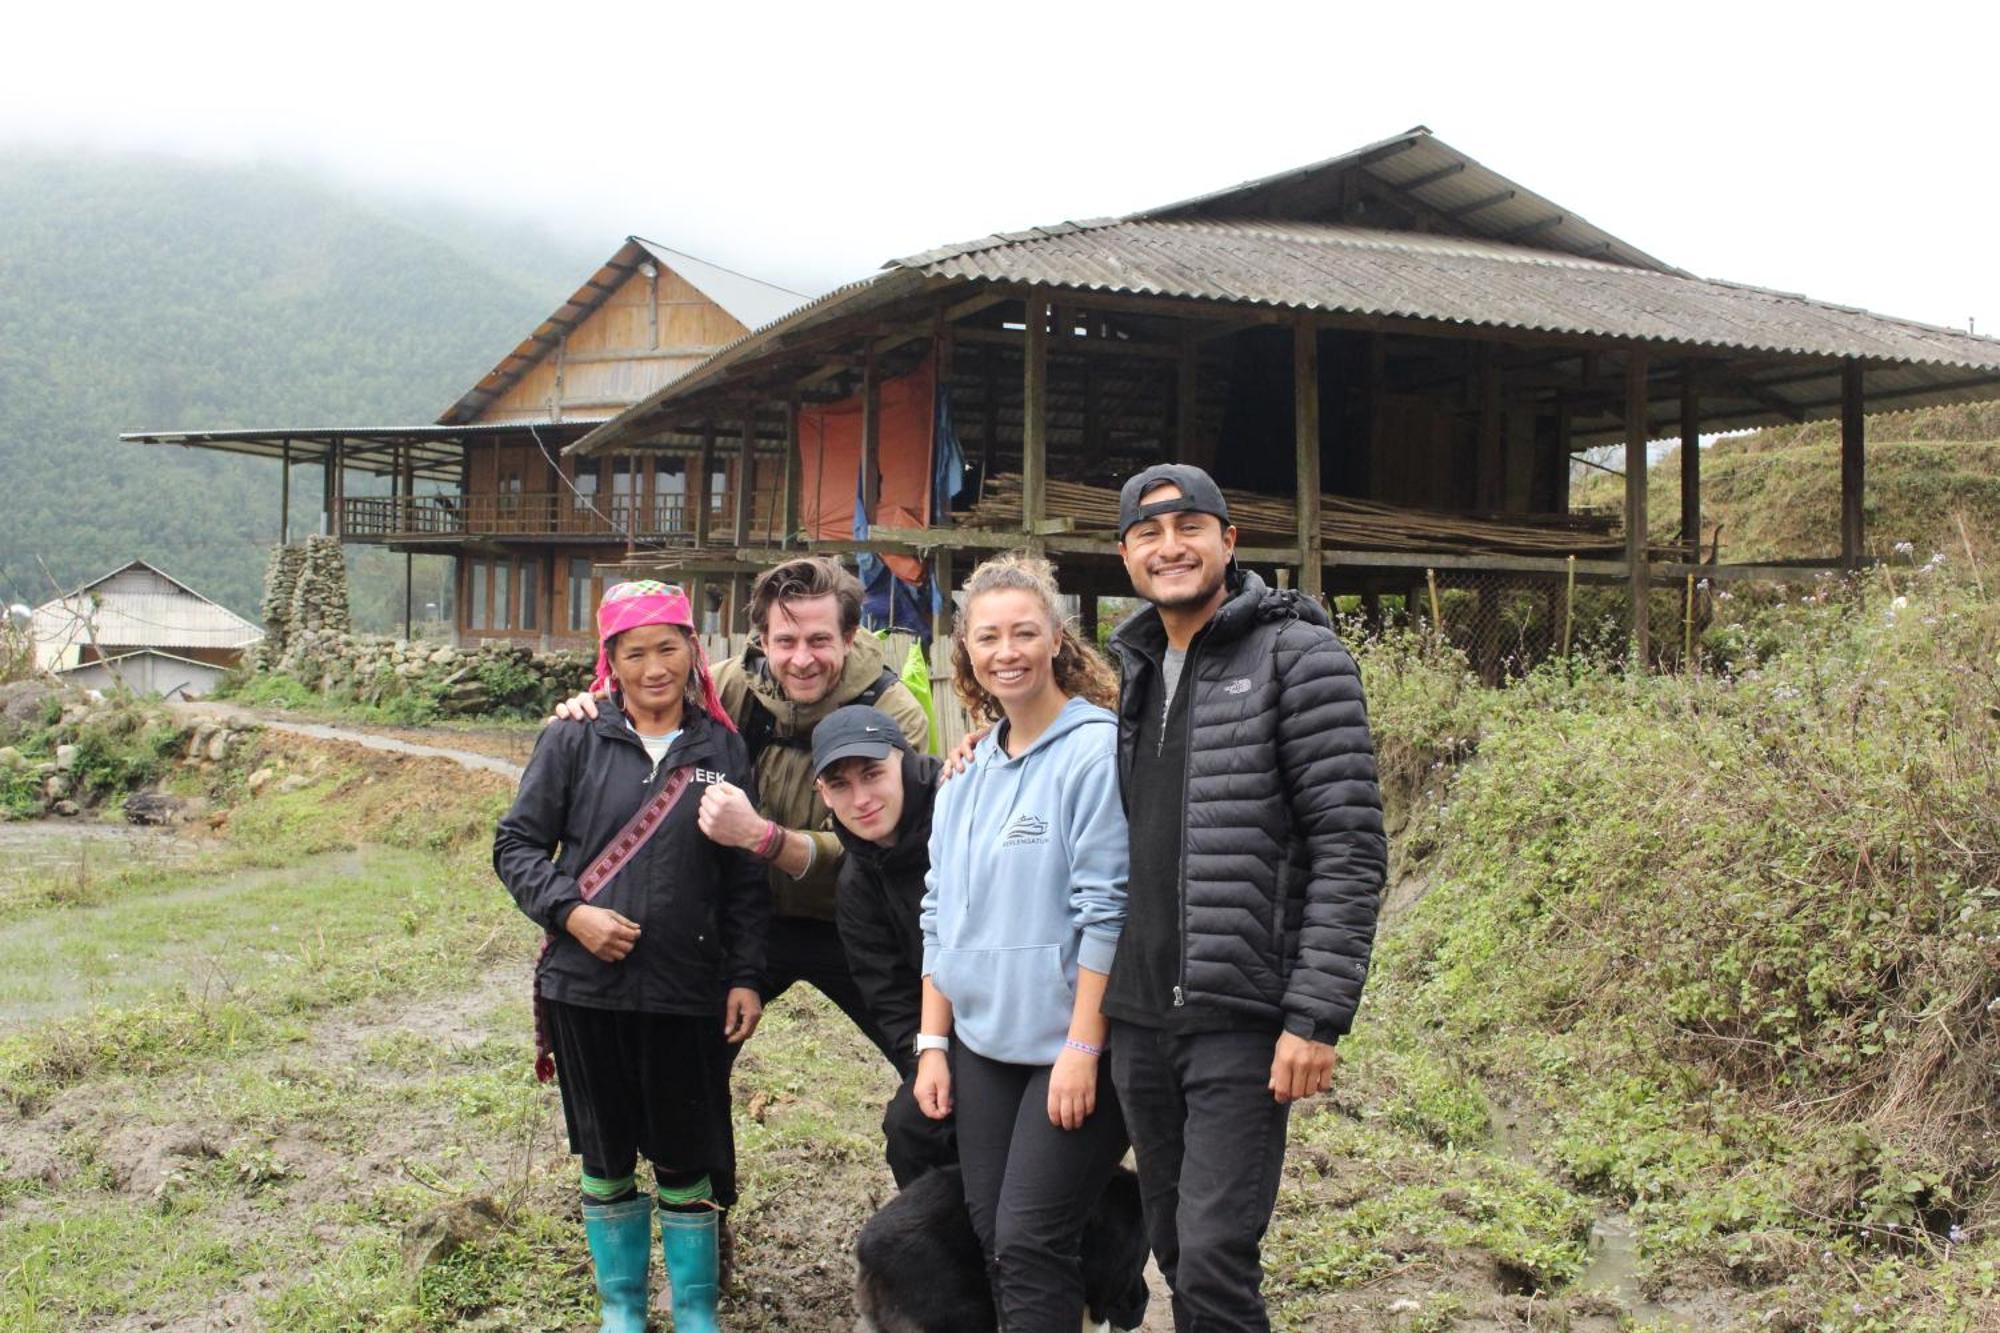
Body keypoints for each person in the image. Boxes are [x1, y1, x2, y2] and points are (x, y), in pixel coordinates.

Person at [1100, 464, 1387, 1331]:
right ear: (1125, 556)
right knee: (1178, 1248)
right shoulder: (1136, 667)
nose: (1170, 545)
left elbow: (1350, 842)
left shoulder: (1299, 657)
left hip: (1240, 1013)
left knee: (1218, 1255)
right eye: (1148, 533)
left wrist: (1315, 1015)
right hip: (1142, 1019)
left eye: (1191, 525)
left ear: (1230, 541)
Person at [495, 580, 770, 1333]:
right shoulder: (573, 739)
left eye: (669, 647)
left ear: (693, 650)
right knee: (607, 1152)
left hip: (688, 992)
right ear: (610, 660)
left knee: (687, 1156)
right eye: (635, 651)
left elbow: (745, 876)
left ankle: (695, 1310)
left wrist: (745, 973)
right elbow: (515, 844)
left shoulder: (722, 746)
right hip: (587, 989)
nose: (655, 667)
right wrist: (571, 912)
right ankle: (621, 1308)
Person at [557, 557, 929, 1067]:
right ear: (761, 639)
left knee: (924, 1057)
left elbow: (883, 840)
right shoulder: (727, 689)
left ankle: (944, 1138)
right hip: (745, 923)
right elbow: (647, 697)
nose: (802, 660)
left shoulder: (892, 712)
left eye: (819, 640)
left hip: (857, 920)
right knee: (687, 1064)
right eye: (785, 642)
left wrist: (764, 839)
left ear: (849, 635)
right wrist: (594, 705)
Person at [915, 551, 1138, 1330]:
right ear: (966, 653)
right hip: (982, 1042)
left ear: (1055, 641)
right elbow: (940, 912)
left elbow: (1107, 909)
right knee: (993, 1232)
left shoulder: (1094, 751)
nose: (1005, 651)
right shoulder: (967, 772)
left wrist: (1082, 1049)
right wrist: (932, 1043)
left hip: (1069, 1042)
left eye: (1022, 633)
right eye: (987, 637)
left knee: (1030, 1235)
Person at [810, 704, 957, 1187]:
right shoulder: (855, 885)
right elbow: (890, 1000)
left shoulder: (963, 809)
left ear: (905, 760)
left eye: (873, 774)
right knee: (911, 1128)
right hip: (948, 1043)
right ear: (823, 796)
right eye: (841, 786)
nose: (862, 799)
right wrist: (928, 1064)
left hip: (1033, 1022)